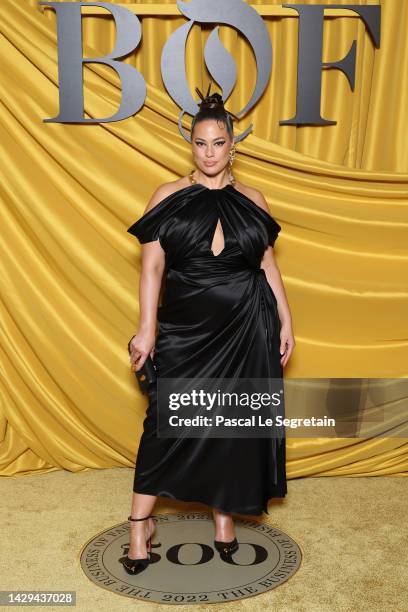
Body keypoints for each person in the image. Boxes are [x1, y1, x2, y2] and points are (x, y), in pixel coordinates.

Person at [122, 85, 295, 575]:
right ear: (190, 145)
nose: (210, 152)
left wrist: (286, 319)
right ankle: (140, 523)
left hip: (246, 327)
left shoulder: (254, 199)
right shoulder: (167, 196)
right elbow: (152, 271)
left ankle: (224, 520)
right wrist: (146, 329)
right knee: (164, 423)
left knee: (232, 425)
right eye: (201, 143)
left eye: (218, 142)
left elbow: (267, 265)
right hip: (185, 329)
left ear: (233, 145)